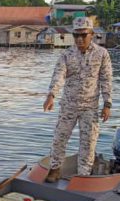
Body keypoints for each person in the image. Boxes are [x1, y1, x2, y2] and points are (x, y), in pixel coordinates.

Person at [42, 16, 112, 182]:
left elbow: (106, 79)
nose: (79, 39)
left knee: (88, 143)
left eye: (83, 35)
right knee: (59, 138)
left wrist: (107, 103)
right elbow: (58, 76)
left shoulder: (102, 54)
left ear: (91, 34)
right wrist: (51, 95)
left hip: (90, 107)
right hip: (69, 105)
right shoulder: (66, 55)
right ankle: (55, 169)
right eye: (76, 35)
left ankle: (83, 176)